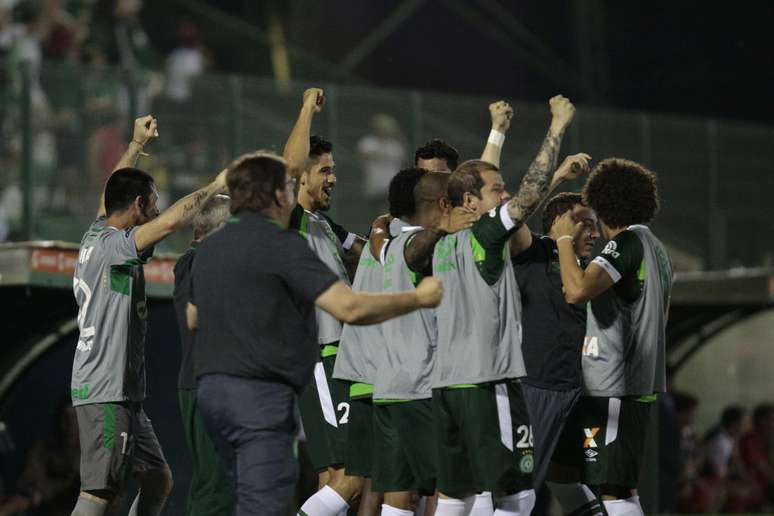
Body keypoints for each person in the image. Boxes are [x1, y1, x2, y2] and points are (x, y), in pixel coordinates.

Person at [186, 151, 444, 516]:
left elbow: (194, 317)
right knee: (267, 501)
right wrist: (417, 298)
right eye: (288, 187)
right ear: (277, 195)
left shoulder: (212, 246)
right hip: (258, 395)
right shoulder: (281, 244)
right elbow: (349, 308)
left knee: (243, 493)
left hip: (212, 394)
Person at [403, 95, 577, 516]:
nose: (506, 195)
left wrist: (498, 132)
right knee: (517, 494)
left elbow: (475, 183)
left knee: (458, 495)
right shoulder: (484, 236)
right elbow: (525, 194)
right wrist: (557, 126)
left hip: (447, 387)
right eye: (498, 191)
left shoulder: (442, 243)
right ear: (469, 203)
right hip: (488, 383)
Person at [70, 115, 228, 516]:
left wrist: (136, 146)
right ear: (139, 205)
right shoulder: (116, 248)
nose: (157, 211)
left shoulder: (96, 234)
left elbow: (112, 193)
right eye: (152, 202)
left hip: (124, 394)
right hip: (106, 391)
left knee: (158, 479)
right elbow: (173, 220)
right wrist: (215, 186)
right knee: (99, 493)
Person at [552, 157, 674, 516]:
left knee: (614, 490)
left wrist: (561, 238)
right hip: (626, 383)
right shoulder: (656, 248)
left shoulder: (625, 244)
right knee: (569, 474)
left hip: (614, 385)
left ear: (603, 203)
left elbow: (577, 291)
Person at [366, 171, 476, 516]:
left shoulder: (388, 246)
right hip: (421, 388)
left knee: (399, 498)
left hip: (388, 388)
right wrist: (445, 229)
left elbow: (384, 238)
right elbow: (419, 252)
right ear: (444, 205)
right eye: (454, 199)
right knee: (454, 486)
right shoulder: (422, 246)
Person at [283, 88, 371, 514]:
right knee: (354, 476)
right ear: (302, 177)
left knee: (333, 475)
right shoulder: (290, 218)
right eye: (325, 171)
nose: (333, 178)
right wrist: (305, 111)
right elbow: (288, 167)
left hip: (339, 356)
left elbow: (368, 251)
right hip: (321, 355)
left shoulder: (323, 224)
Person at [511, 174, 608, 516]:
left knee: (573, 480)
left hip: (576, 394)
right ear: (561, 222)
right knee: (519, 490)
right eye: (586, 225)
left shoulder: (585, 269)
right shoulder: (532, 250)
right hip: (535, 387)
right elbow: (511, 218)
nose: (595, 234)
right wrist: (556, 179)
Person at [172, 194, 234, 516]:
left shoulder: (190, 261)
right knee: (217, 485)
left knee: (212, 482)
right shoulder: (203, 262)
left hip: (200, 381)